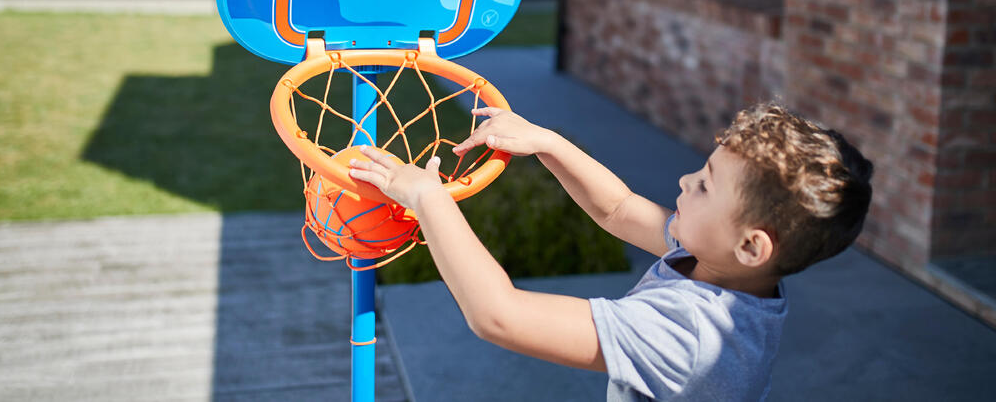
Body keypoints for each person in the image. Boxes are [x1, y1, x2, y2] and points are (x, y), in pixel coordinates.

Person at [348, 102, 873, 400]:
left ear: (752, 245)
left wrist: (428, 198)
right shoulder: (724, 266)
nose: (685, 180)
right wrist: (547, 141)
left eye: (707, 186)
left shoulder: (689, 333)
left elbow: (498, 316)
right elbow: (618, 209)